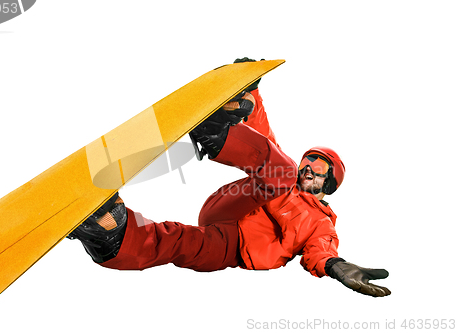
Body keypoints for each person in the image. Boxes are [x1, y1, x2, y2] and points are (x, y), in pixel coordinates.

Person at [68, 58, 391, 297]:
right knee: (279, 168)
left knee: (185, 244)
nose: (309, 168)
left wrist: (336, 266)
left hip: (236, 245)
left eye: (318, 168)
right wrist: (250, 91)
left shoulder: (322, 222)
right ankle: (218, 129)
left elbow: (320, 250)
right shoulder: (286, 178)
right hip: (240, 202)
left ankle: (110, 234)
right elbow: (263, 139)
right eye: (309, 161)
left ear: (330, 184)